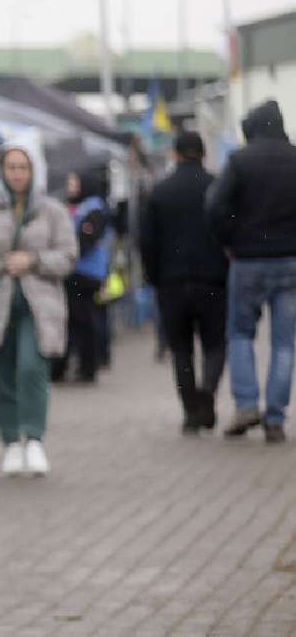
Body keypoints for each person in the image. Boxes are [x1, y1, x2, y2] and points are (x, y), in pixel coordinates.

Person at [0, 144, 77, 476]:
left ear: (33, 171)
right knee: (1, 373)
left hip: (40, 306)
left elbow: (67, 256)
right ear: (1, 170)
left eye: (23, 167)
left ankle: (34, 439)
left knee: (32, 367)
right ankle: (10, 443)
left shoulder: (51, 210)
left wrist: (33, 260)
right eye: (11, 167)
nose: (18, 173)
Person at [207, 100, 296, 444]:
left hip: (247, 260)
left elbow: (215, 206)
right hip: (290, 260)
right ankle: (275, 417)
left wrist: (228, 240)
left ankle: (246, 405)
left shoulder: (240, 161)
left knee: (241, 334)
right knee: (284, 342)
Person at [140, 132, 228, 434]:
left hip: (172, 282)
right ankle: (207, 394)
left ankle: (191, 411)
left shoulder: (160, 191)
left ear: (175, 154)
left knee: (181, 349)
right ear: (203, 154)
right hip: (214, 281)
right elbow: (229, 229)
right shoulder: (217, 186)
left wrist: (155, 277)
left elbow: (146, 241)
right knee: (215, 344)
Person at [53, 167, 113, 383]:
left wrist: (65, 250)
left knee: (84, 320)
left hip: (85, 273)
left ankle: (88, 367)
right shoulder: (79, 207)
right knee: (78, 320)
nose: (70, 187)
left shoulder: (94, 208)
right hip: (77, 271)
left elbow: (85, 240)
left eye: (74, 182)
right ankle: (78, 366)